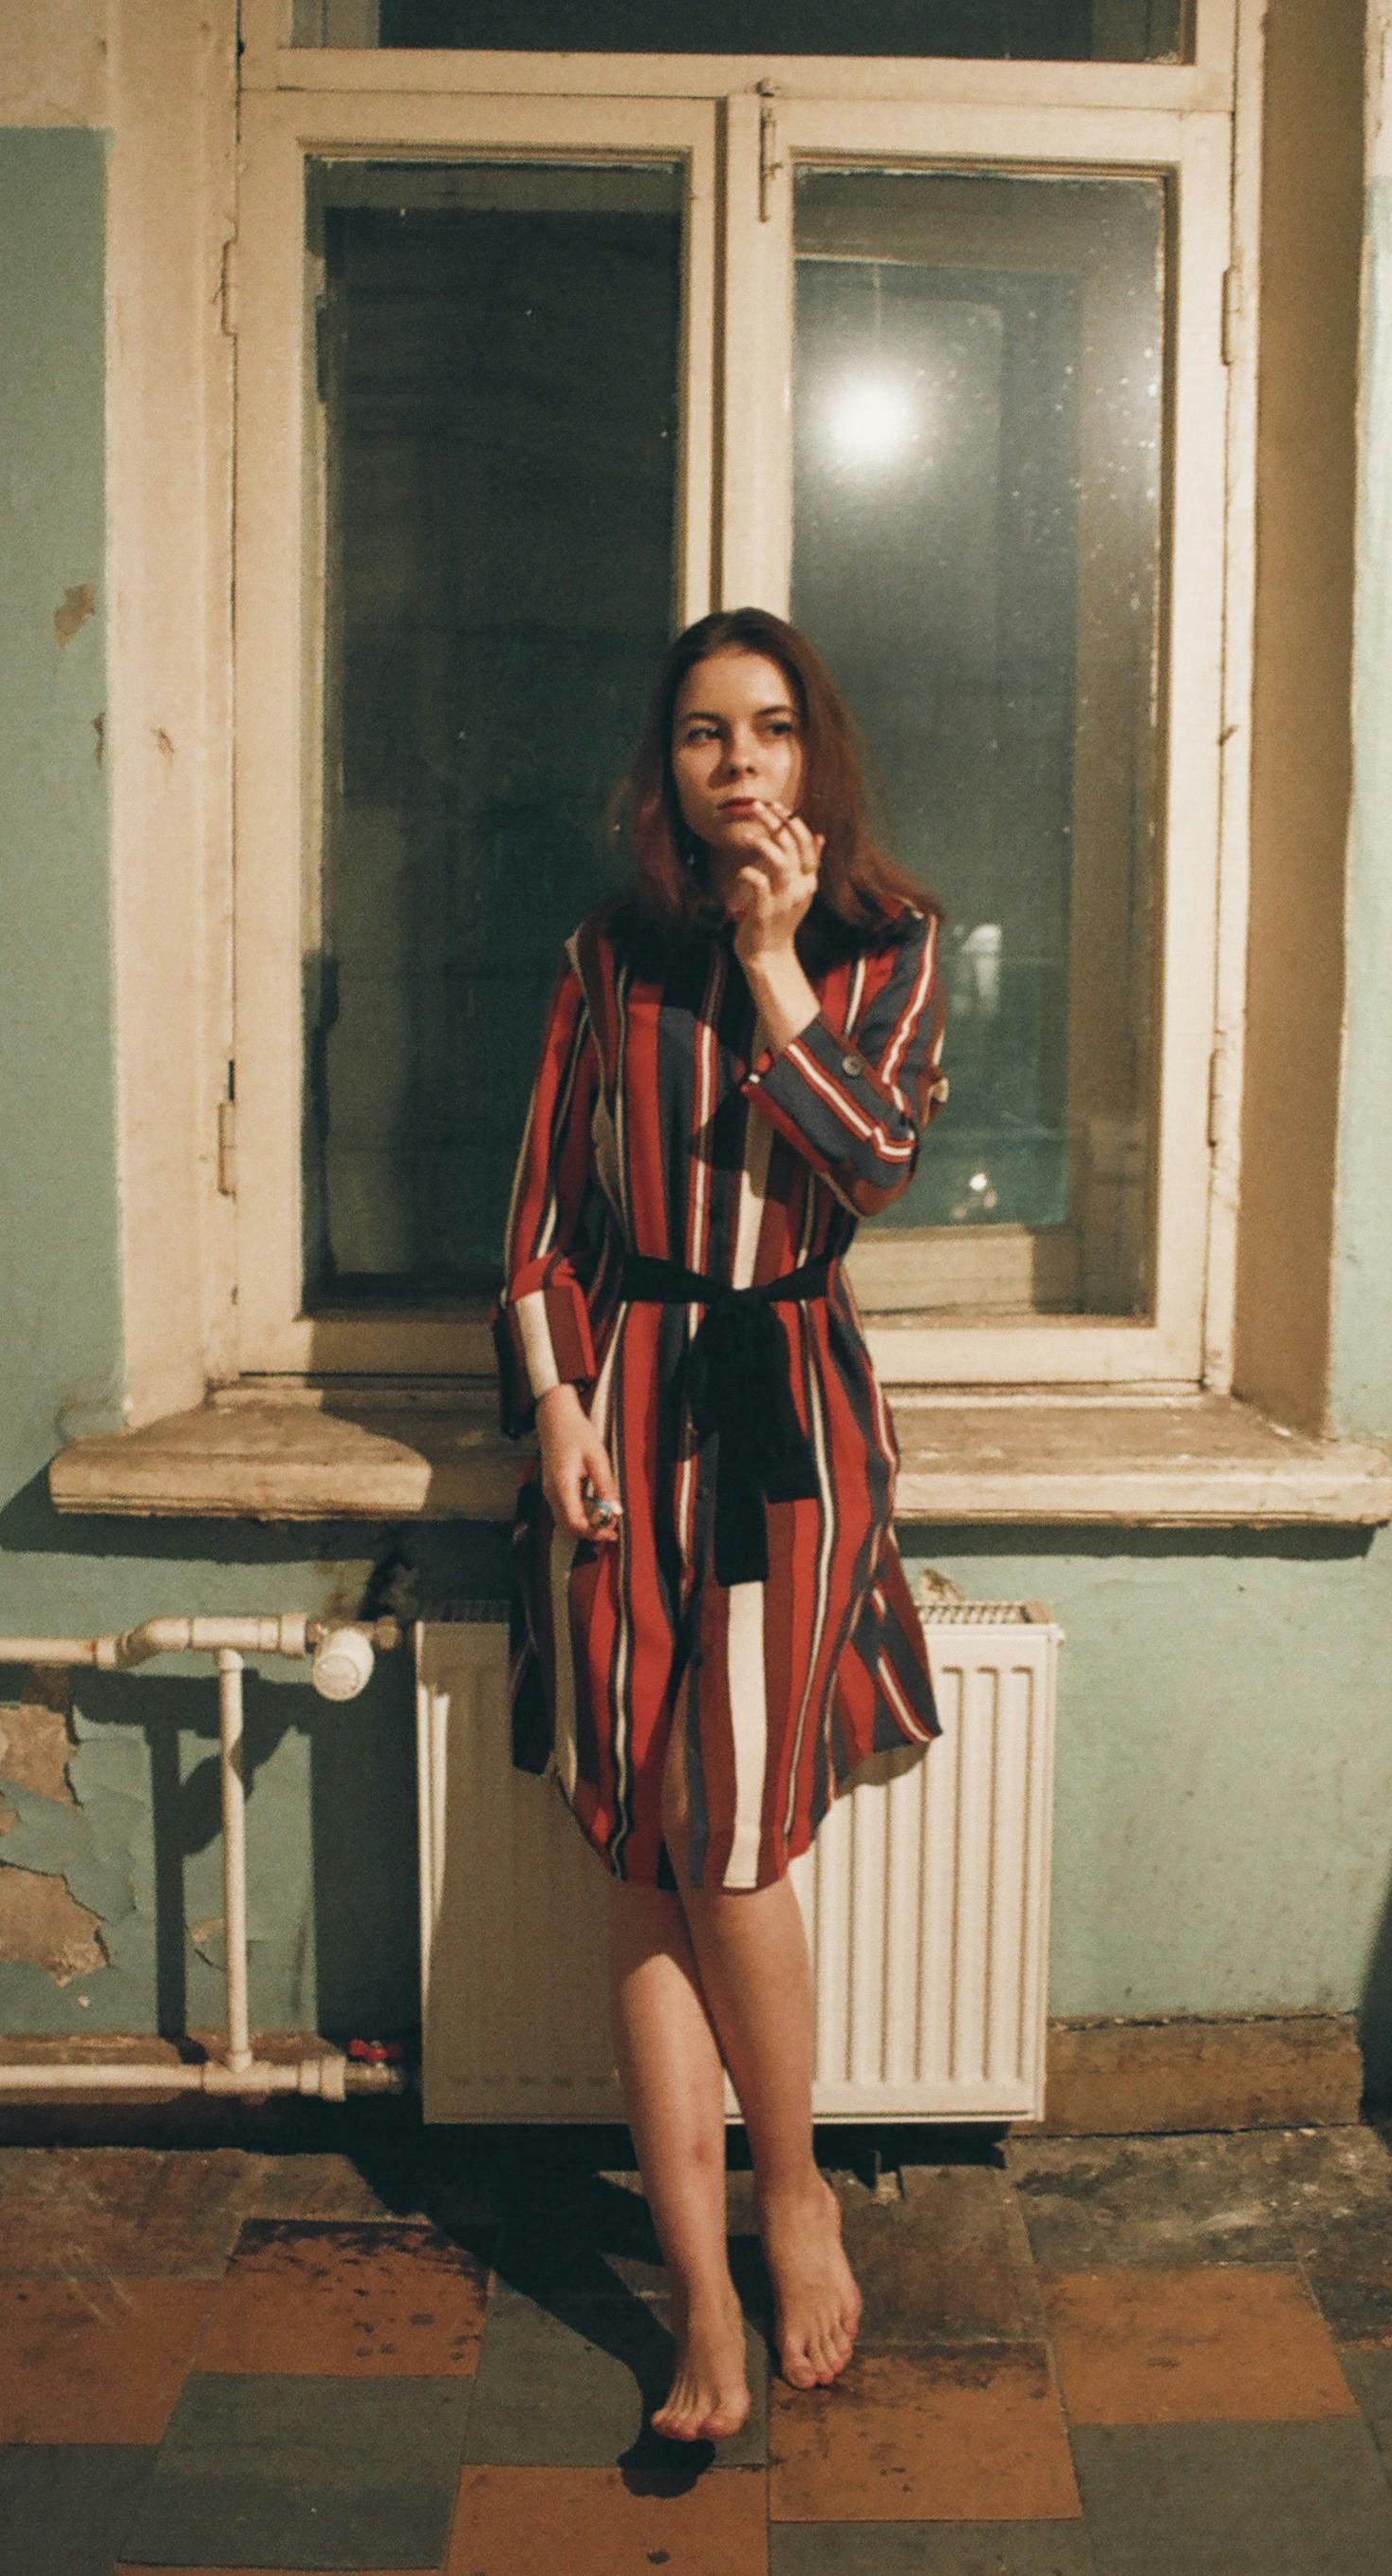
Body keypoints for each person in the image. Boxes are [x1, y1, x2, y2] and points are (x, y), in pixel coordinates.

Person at [490, 607, 950, 2443]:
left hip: (785, 1426)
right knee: (636, 1845)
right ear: (663, 766)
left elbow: (870, 1166)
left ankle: (794, 2190)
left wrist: (773, 963)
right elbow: (539, 1215)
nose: (737, 761)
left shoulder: (886, 951)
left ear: (812, 756)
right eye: (701, 732)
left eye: (768, 728)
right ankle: (697, 2306)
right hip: (625, 1411)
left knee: (734, 1839)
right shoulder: (604, 955)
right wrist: (553, 1407)